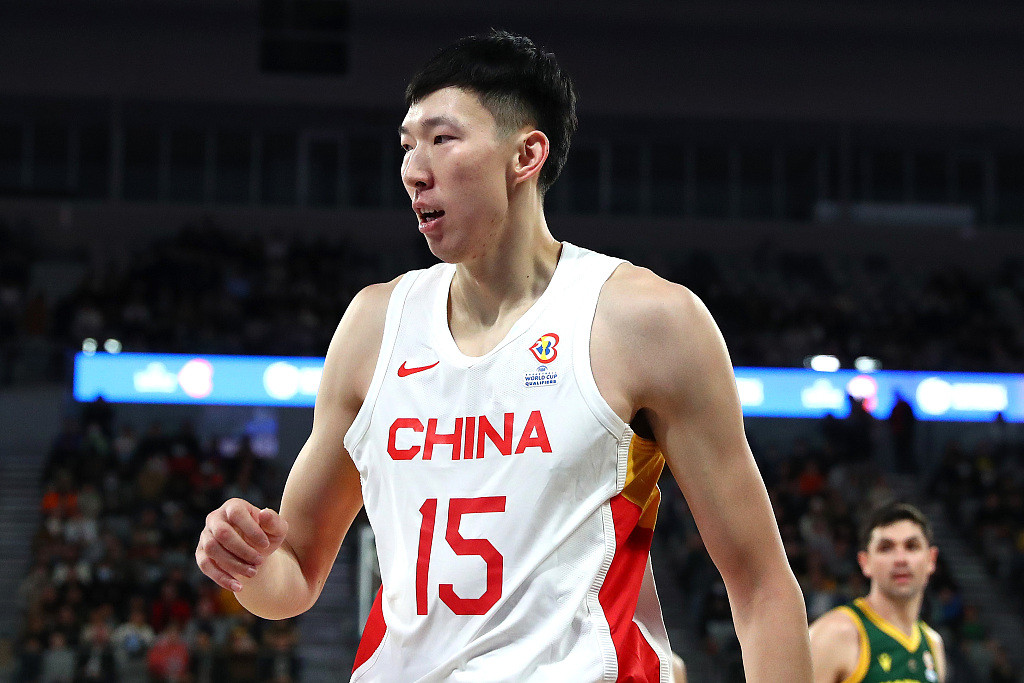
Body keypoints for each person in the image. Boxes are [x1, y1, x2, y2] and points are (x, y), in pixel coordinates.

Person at [196, 30, 811, 681]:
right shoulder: (374, 326)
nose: (413, 169)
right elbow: (294, 576)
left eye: (442, 138)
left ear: (526, 154)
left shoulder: (645, 321)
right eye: (407, 145)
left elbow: (761, 586)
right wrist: (247, 562)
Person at [808, 502, 947, 683]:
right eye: (886, 548)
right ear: (865, 562)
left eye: (911, 546)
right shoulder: (834, 634)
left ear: (931, 559)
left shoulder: (933, 644)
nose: (900, 559)